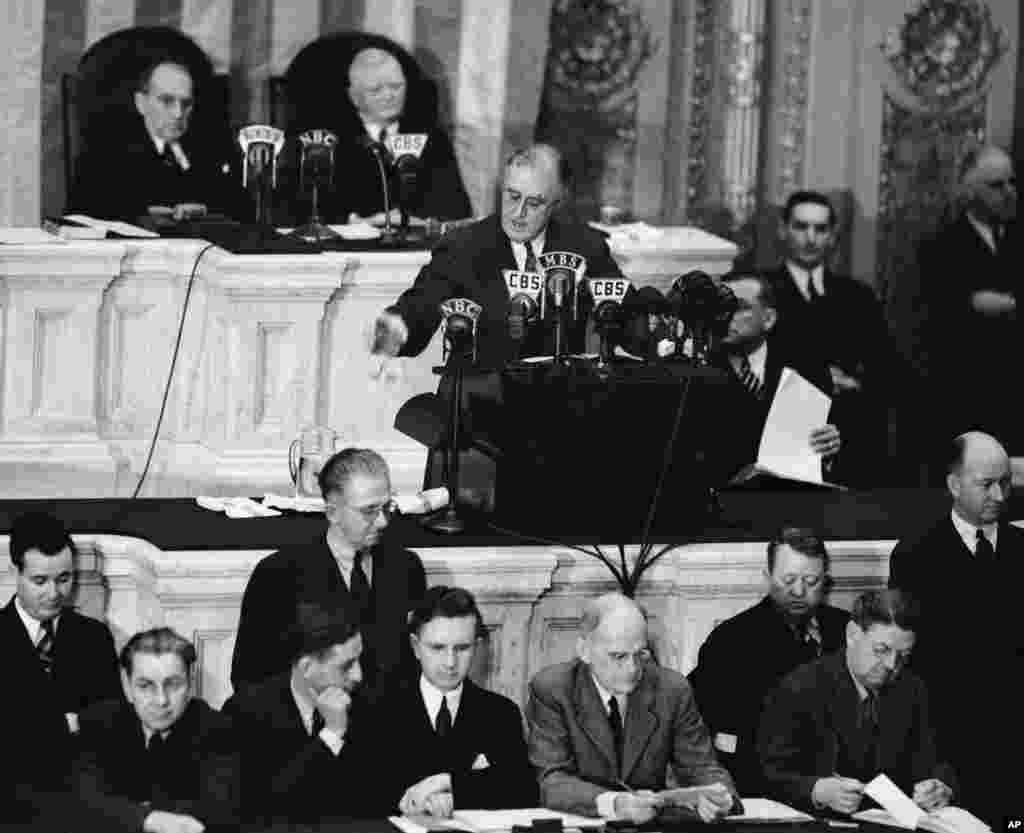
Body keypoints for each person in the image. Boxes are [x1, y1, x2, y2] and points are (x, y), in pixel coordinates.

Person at [371, 144, 627, 506]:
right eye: (512, 196)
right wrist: (397, 329)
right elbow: (423, 302)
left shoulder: (585, 245)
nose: (518, 213)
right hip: (478, 418)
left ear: (556, 203)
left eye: (534, 203)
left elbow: (620, 306)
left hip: (560, 418)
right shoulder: (463, 246)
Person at [888, 431, 1022, 823]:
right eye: (986, 485)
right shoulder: (915, 554)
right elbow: (910, 660)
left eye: (1006, 483)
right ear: (953, 485)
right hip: (948, 746)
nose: (999, 496)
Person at [527, 593, 739, 824]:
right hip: (581, 822)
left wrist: (721, 797)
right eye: (618, 656)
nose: (632, 668)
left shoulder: (672, 690)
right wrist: (616, 804)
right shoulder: (553, 689)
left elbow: (701, 766)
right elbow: (552, 781)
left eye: (640, 654)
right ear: (584, 651)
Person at [231, 447, 425, 694]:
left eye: (387, 508)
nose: (383, 521)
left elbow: (414, 667)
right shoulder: (278, 575)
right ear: (332, 512)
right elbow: (250, 678)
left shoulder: (406, 568)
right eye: (369, 511)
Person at [758, 589, 954, 817]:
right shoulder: (799, 688)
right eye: (881, 650)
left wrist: (940, 786)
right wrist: (817, 790)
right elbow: (768, 775)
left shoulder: (913, 688)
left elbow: (936, 759)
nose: (892, 665)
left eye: (904, 655)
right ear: (852, 634)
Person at [688, 527, 849, 795]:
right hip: (761, 785)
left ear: (826, 582)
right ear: (767, 577)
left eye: (811, 581)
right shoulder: (731, 640)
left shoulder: (846, 630)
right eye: (788, 579)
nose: (799, 590)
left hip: (840, 785)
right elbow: (719, 739)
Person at [764, 191, 892, 486]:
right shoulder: (765, 291)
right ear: (783, 230)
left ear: (833, 236)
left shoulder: (857, 297)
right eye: (801, 227)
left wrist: (856, 383)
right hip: (783, 434)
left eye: (820, 229)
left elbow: (884, 368)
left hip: (852, 440)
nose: (811, 238)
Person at [0, 511, 120, 823]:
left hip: (84, 803)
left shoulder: (94, 637)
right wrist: (69, 724)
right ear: (17, 573)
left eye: (64, 579)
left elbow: (112, 722)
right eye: (40, 581)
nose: (54, 594)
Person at [223, 600, 387, 824]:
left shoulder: (367, 702)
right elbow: (263, 806)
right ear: (307, 668)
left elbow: (372, 797)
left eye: (360, 660)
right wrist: (331, 735)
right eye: (346, 665)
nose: (358, 675)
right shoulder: (245, 712)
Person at [382, 586, 537, 817]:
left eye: (462, 648)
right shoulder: (381, 707)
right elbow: (365, 789)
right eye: (437, 648)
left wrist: (449, 783)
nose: (450, 662)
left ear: (477, 646)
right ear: (415, 647)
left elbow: (522, 789)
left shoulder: (500, 712)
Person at [73, 628, 238, 833]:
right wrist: (148, 818)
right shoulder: (99, 724)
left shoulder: (220, 731)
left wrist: (120, 813)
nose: (161, 700)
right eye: (145, 686)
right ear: (126, 685)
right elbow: (80, 803)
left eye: (173, 684)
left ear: (191, 682)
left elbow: (209, 816)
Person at [919, 146, 1021, 455]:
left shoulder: (1018, 240)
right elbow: (945, 315)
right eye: (996, 185)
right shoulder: (941, 246)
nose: (1009, 193)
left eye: (1012, 183)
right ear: (970, 191)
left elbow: (982, 304)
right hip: (965, 395)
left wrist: (1002, 304)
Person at [703, 271, 841, 485]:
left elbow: (829, 453)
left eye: (738, 307)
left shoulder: (807, 369)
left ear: (768, 319)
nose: (724, 315)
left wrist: (828, 448)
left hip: (794, 504)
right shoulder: (697, 372)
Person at [68, 59, 244, 223]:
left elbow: (240, 205)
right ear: (141, 103)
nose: (178, 113)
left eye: (186, 103)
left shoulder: (211, 150)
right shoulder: (105, 154)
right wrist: (140, 215)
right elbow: (82, 215)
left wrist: (204, 211)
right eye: (167, 101)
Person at [337, 45, 471, 226]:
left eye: (396, 86)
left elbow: (457, 210)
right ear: (354, 96)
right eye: (375, 89)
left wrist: (413, 220)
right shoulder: (335, 143)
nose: (388, 95)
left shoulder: (434, 140)